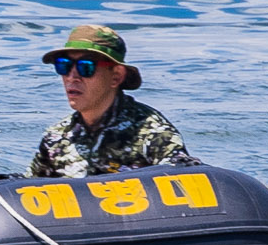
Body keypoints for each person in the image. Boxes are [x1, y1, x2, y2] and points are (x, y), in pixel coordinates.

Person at [29, 24, 191, 177]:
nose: (72, 77)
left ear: (116, 76)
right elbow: (25, 189)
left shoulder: (152, 134)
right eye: (63, 66)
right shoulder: (56, 138)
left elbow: (186, 182)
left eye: (86, 67)